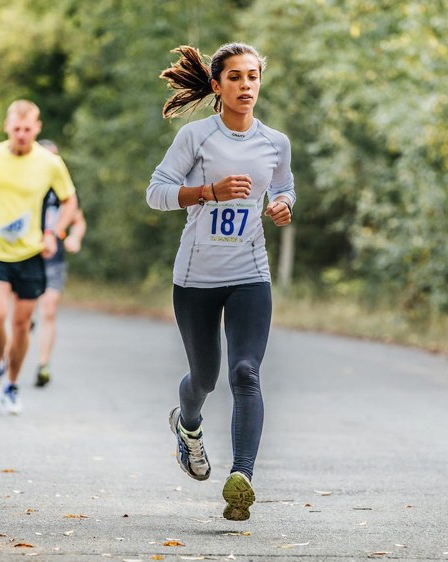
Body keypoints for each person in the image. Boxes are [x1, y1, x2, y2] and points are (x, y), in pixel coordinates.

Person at [147, 43, 295, 521]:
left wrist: (282, 205)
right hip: (196, 279)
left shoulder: (275, 142)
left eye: (253, 77)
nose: (246, 85)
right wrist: (207, 191)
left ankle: (242, 479)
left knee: (246, 372)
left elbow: (284, 186)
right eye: (235, 77)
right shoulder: (196, 138)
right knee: (206, 377)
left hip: (250, 273)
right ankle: (187, 425)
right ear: (217, 86)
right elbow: (157, 193)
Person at [0, 99, 78, 415]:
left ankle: (11, 385)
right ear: (7, 127)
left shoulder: (50, 163)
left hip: (30, 252)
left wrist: (54, 233)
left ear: (37, 128)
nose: (22, 134)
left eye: (27, 129)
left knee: (22, 324)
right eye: (16, 129)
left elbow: (69, 201)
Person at [33, 139, 87, 388]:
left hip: (53, 259)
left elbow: (78, 219)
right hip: (24, 258)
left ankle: (43, 365)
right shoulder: (24, 186)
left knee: (49, 310)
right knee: (21, 316)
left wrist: (74, 236)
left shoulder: (63, 190)